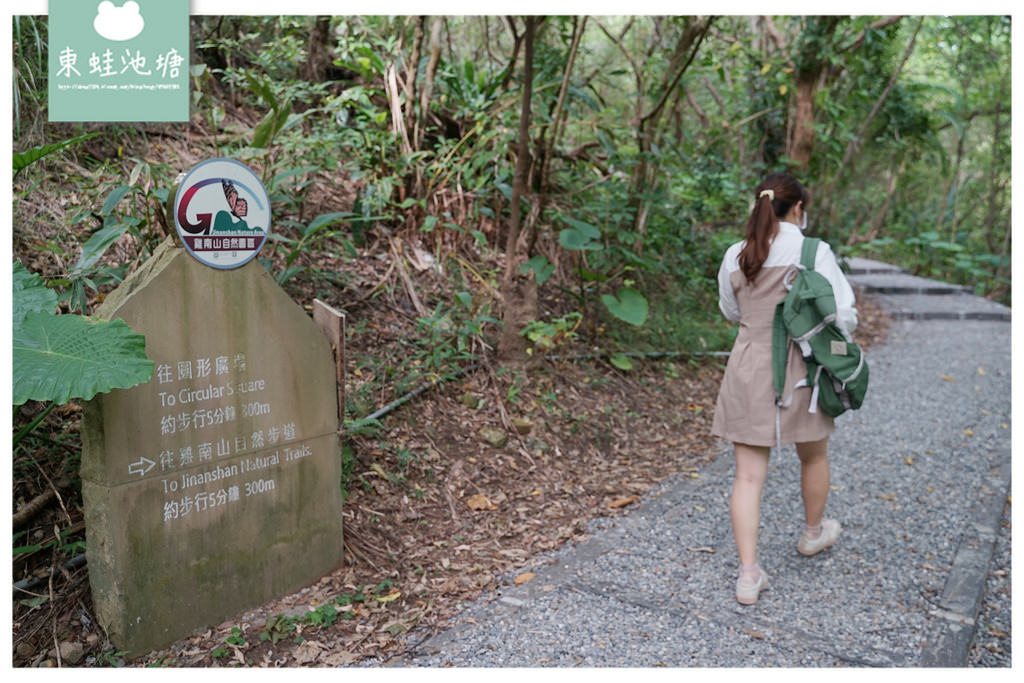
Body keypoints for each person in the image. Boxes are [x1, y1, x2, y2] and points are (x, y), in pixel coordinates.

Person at [710, 172, 858, 606]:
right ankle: (813, 534)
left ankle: (748, 576)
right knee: (813, 454)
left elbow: (729, 311)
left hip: (748, 366)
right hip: (805, 369)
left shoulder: (736, 254)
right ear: (798, 209)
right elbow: (843, 313)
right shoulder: (814, 251)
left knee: (748, 475)